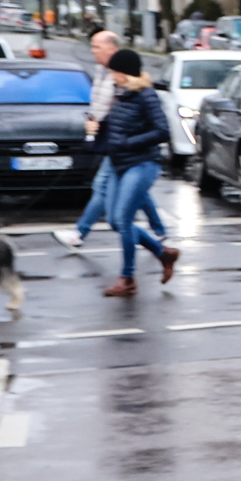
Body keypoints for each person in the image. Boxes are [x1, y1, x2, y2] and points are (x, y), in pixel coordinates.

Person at [54, 29, 166, 253]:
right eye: (93, 46)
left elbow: (153, 125)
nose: (93, 50)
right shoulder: (103, 73)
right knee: (131, 194)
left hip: (119, 145)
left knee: (108, 195)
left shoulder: (124, 81)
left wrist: (119, 138)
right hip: (113, 143)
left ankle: (81, 233)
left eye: (97, 46)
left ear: (112, 49)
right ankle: (159, 232)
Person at [92, 49, 178, 297]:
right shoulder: (122, 95)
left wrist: (128, 143)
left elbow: (162, 131)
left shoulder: (146, 96)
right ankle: (163, 253)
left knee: (124, 220)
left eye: (114, 72)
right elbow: (117, 128)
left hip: (142, 165)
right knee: (115, 221)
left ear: (125, 72)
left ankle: (127, 279)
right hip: (120, 165)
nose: (111, 77)